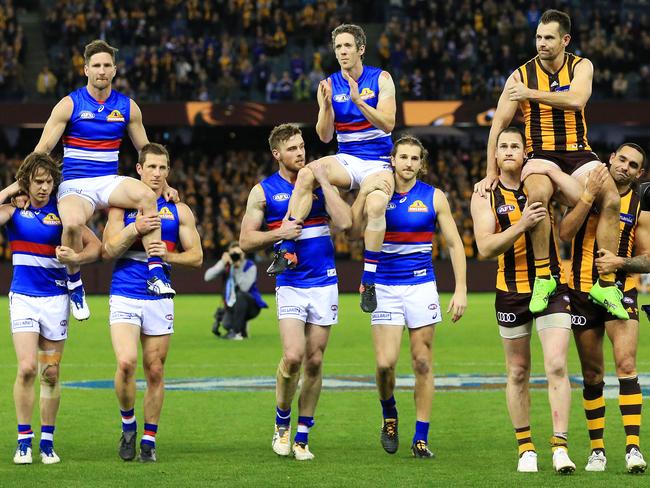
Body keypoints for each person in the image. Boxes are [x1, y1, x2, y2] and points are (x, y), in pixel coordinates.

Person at [475, 9, 626, 320]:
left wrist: (529, 94)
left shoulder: (581, 66)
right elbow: (497, 126)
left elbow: (577, 100)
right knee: (538, 198)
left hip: (578, 152)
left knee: (611, 197)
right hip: (540, 152)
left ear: (565, 40)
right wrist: (491, 170)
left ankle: (606, 283)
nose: (541, 43)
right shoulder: (518, 74)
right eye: (538, 37)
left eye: (548, 38)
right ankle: (544, 277)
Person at [31, 39, 175, 321]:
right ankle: (74, 284)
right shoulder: (69, 104)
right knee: (72, 223)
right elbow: (42, 150)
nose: (101, 70)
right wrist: (23, 185)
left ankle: (156, 272)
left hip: (108, 180)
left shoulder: (127, 107)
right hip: (75, 184)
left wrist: (165, 184)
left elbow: (145, 150)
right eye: (96, 65)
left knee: (148, 196)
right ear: (85, 69)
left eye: (107, 65)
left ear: (114, 70)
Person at [239, 123, 351, 460]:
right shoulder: (263, 192)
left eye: (302, 147)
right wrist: (280, 233)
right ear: (277, 154)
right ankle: (282, 423)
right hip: (290, 283)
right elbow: (245, 240)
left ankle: (302, 435)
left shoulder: (320, 181)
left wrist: (326, 182)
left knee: (315, 361)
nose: (300, 153)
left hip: (325, 281)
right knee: (292, 357)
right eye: (292, 149)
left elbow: (345, 223)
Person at [471, 127, 580, 474]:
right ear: (496, 153)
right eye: (502, 145)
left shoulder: (542, 183)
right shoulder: (484, 193)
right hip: (512, 290)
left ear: (524, 151)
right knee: (518, 371)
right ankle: (526, 448)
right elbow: (485, 248)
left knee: (557, 366)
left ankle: (560, 447)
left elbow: (580, 200)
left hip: (553, 286)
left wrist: (552, 170)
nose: (507, 151)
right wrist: (522, 225)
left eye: (514, 146)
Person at [350, 135, 467, 458]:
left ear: (422, 164)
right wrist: (364, 192)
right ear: (393, 160)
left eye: (414, 158)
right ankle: (389, 414)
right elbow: (350, 228)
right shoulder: (379, 195)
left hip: (420, 285)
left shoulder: (434, 197)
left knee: (423, 361)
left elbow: (455, 244)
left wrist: (461, 288)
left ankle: (421, 437)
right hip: (383, 287)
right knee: (385, 364)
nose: (408, 163)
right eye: (403, 157)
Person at [267, 23, 396, 314]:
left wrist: (359, 102)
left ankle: (369, 281)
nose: (342, 52)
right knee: (307, 173)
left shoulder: (382, 79)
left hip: (378, 162)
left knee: (375, 206)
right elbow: (325, 136)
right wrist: (325, 107)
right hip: (347, 158)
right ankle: (286, 250)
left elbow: (388, 124)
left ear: (361, 49)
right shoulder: (329, 83)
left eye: (348, 46)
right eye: (338, 47)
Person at [102, 143, 203, 463]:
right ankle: (128, 425)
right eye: (152, 168)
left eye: (163, 168)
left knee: (156, 370)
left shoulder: (179, 210)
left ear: (168, 172)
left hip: (160, 296)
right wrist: (135, 228)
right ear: (139, 170)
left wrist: (166, 255)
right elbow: (108, 249)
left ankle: (148, 439)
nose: (157, 174)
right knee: (127, 363)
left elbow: (197, 256)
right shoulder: (120, 206)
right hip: (125, 293)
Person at [0, 153, 101, 465]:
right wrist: (10, 190)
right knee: (28, 367)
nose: (44, 187)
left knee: (51, 373)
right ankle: (23, 441)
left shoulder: (64, 214)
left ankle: (46, 442)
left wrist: (74, 258)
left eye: (48, 182)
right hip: (24, 298)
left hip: (56, 299)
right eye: (38, 181)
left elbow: (96, 247)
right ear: (27, 181)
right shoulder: (12, 211)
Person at [555, 143, 648, 473]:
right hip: (580, 290)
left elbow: (648, 257)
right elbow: (564, 233)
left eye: (633, 165)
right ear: (610, 158)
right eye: (621, 159)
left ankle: (633, 449)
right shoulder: (587, 185)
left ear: (640, 174)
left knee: (625, 365)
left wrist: (621, 261)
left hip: (620, 290)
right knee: (592, 375)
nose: (625, 166)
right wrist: (587, 197)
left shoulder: (640, 204)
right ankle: (597, 451)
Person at [204, 241, 268, 340]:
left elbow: (244, 288)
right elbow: (207, 277)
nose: (236, 256)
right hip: (232, 304)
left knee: (240, 295)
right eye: (233, 254)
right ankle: (242, 329)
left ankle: (236, 333)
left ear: (244, 254)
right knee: (227, 324)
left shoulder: (250, 266)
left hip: (251, 306)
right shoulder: (227, 264)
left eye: (239, 253)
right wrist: (222, 263)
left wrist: (237, 268)